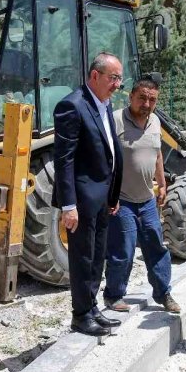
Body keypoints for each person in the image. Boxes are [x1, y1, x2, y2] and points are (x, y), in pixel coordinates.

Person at [53, 52, 125, 337]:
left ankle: (92, 307)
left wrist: (113, 193)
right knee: (82, 257)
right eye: (113, 78)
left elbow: (108, 151)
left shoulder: (103, 104)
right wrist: (68, 204)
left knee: (97, 256)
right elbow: (64, 160)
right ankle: (80, 314)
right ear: (95, 76)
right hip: (81, 201)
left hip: (102, 197)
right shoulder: (72, 106)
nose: (118, 84)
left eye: (120, 78)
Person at [103, 76, 181, 314]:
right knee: (123, 251)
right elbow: (103, 158)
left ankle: (163, 293)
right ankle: (114, 296)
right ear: (131, 97)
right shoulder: (115, 120)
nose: (146, 104)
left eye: (152, 99)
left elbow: (157, 154)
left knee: (156, 248)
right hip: (122, 200)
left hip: (147, 199)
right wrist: (108, 195)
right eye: (142, 98)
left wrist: (162, 184)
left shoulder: (155, 121)